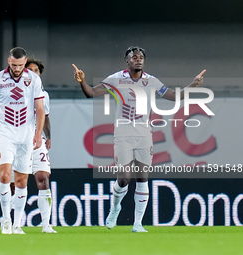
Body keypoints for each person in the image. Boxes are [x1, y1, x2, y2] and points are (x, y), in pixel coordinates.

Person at [73, 46, 205, 232]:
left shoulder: (151, 81)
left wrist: (193, 85)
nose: (138, 59)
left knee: (143, 177)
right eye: (133, 57)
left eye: (141, 57)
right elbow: (92, 93)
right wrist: (83, 81)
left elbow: (174, 97)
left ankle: (138, 224)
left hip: (144, 134)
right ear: (126, 61)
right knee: (125, 178)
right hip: (123, 135)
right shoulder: (116, 79)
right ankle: (115, 209)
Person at [0, 47, 45, 234]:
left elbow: (40, 109)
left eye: (20, 65)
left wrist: (38, 133)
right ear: (9, 61)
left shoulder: (33, 79)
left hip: (25, 135)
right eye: (14, 65)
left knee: (22, 181)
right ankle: (6, 220)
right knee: (4, 176)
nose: (17, 68)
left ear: (25, 62)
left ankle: (18, 223)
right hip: (4, 134)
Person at [8, 58, 56, 233]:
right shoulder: (14, 91)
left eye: (37, 71)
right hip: (19, 140)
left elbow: (46, 116)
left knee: (43, 178)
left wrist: (48, 136)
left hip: (38, 140)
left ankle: (46, 225)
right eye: (31, 70)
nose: (34, 73)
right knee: (17, 183)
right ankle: (13, 222)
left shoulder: (44, 94)